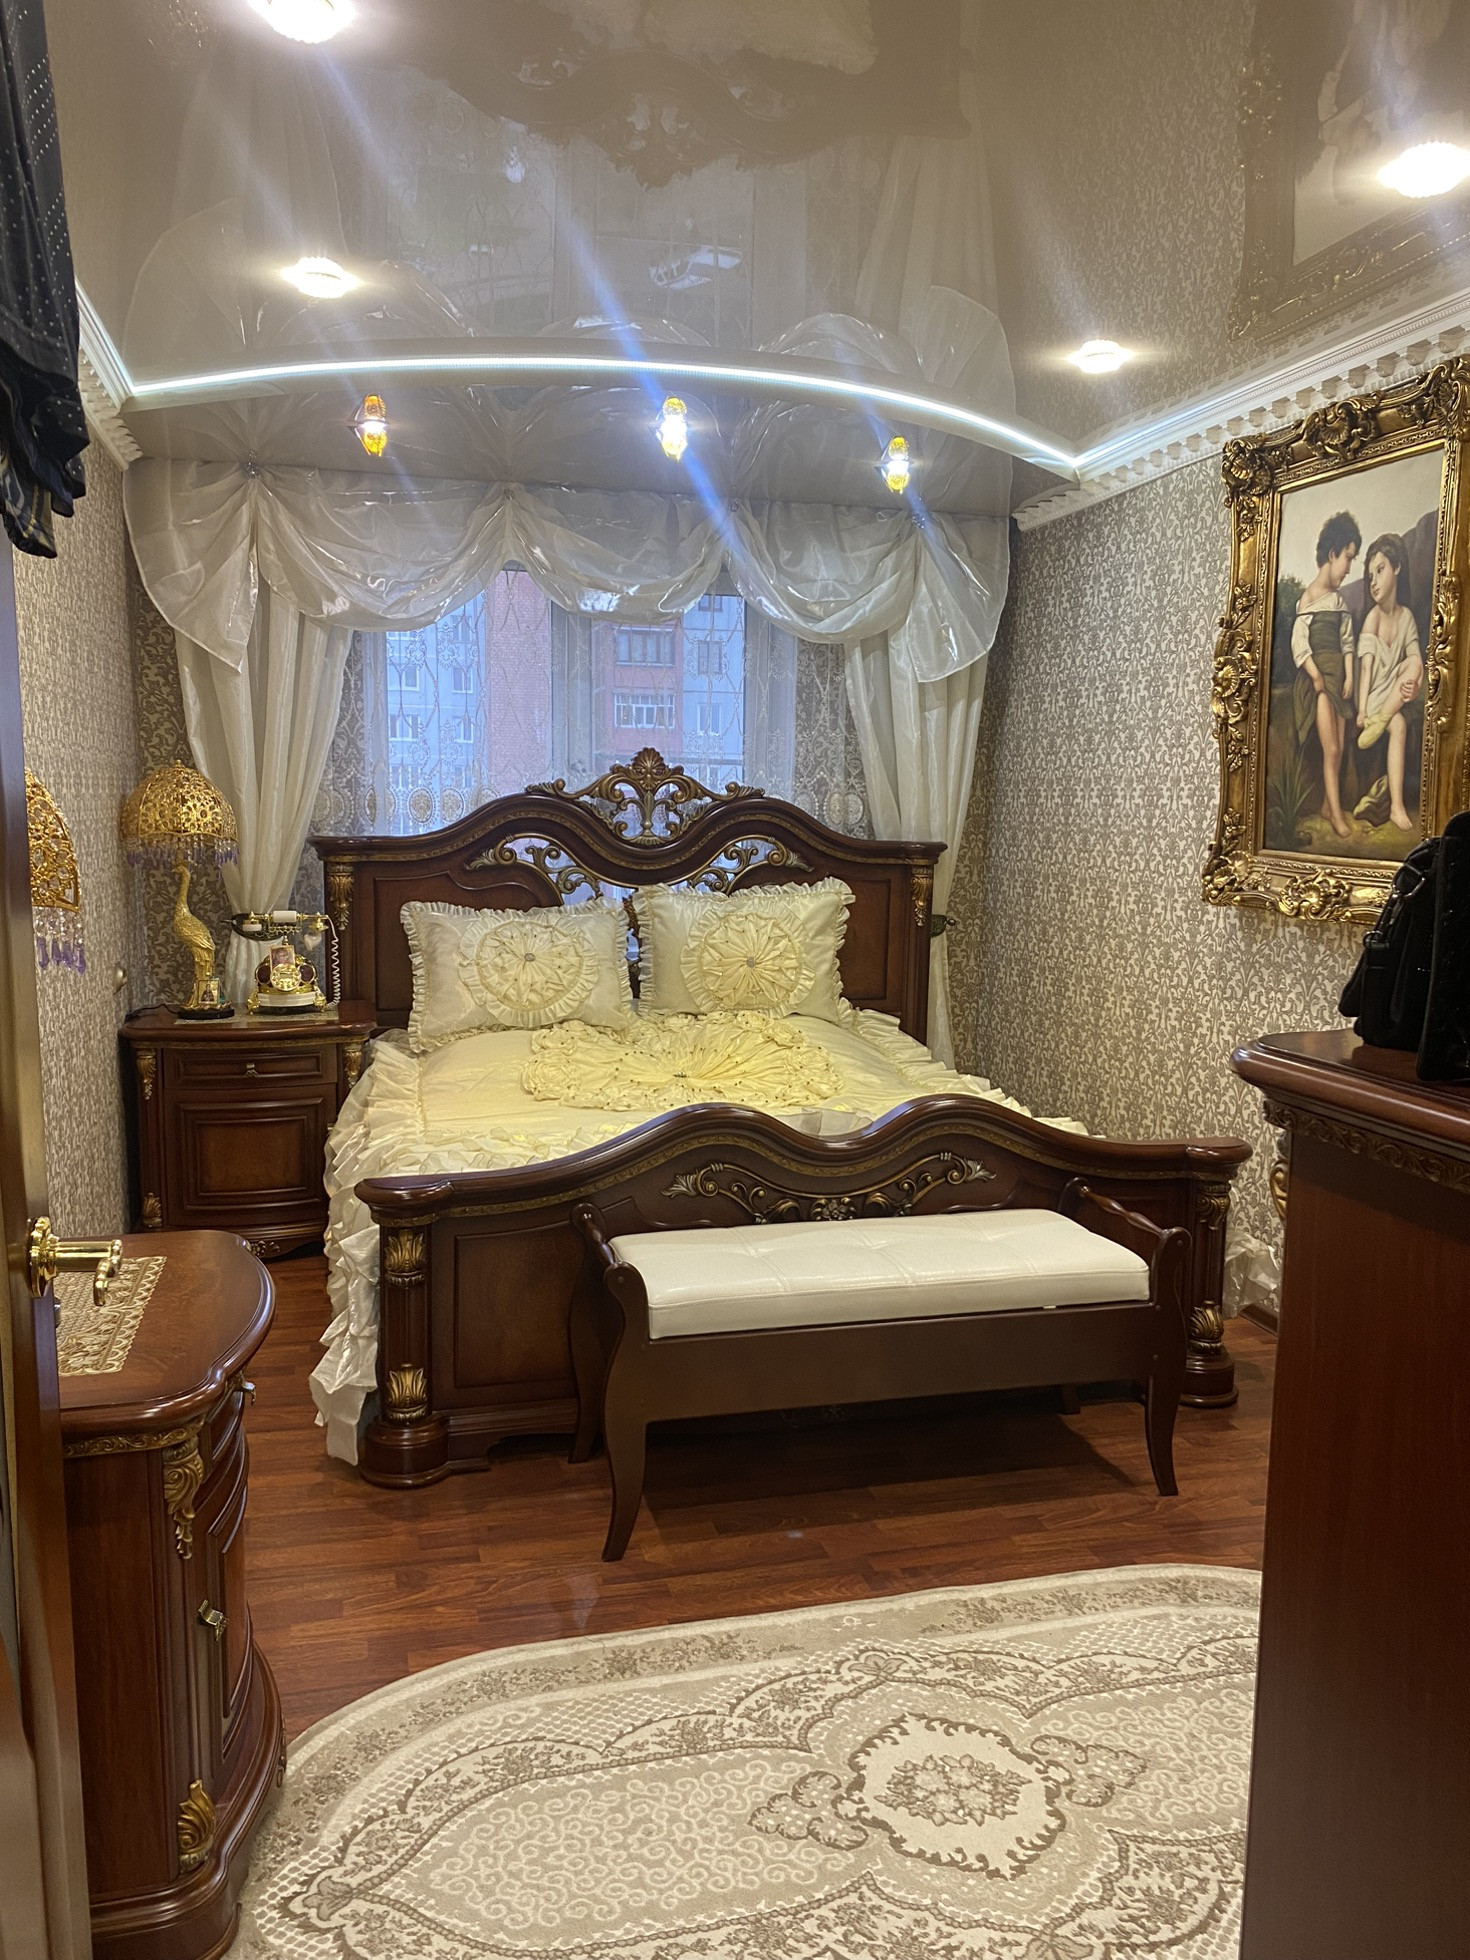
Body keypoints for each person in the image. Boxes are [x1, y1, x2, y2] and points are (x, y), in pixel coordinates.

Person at [1292, 510, 1362, 839]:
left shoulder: (1338, 601)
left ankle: (1325, 805)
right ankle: (1336, 815)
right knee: (1331, 749)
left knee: (1341, 749)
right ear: (1332, 554)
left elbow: (1347, 642)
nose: (1348, 568)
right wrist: (1315, 675)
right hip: (1319, 684)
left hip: (1339, 681)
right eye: (1347, 557)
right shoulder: (1307, 599)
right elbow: (1299, 644)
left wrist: (1349, 677)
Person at [1355, 530, 1423, 832]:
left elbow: (1415, 661)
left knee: (1414, 663)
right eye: (1370, 575)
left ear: (1396, 568)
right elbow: (1366, 670)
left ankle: (1396, 807)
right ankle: (1380, 718)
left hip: (1393, 698)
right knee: (1397, 722)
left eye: (1380, 570)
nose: (1373, 581)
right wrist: (1361, 710)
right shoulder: (1373, 618)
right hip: (1374, 699)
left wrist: (1414, 687)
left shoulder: (1406, 617)